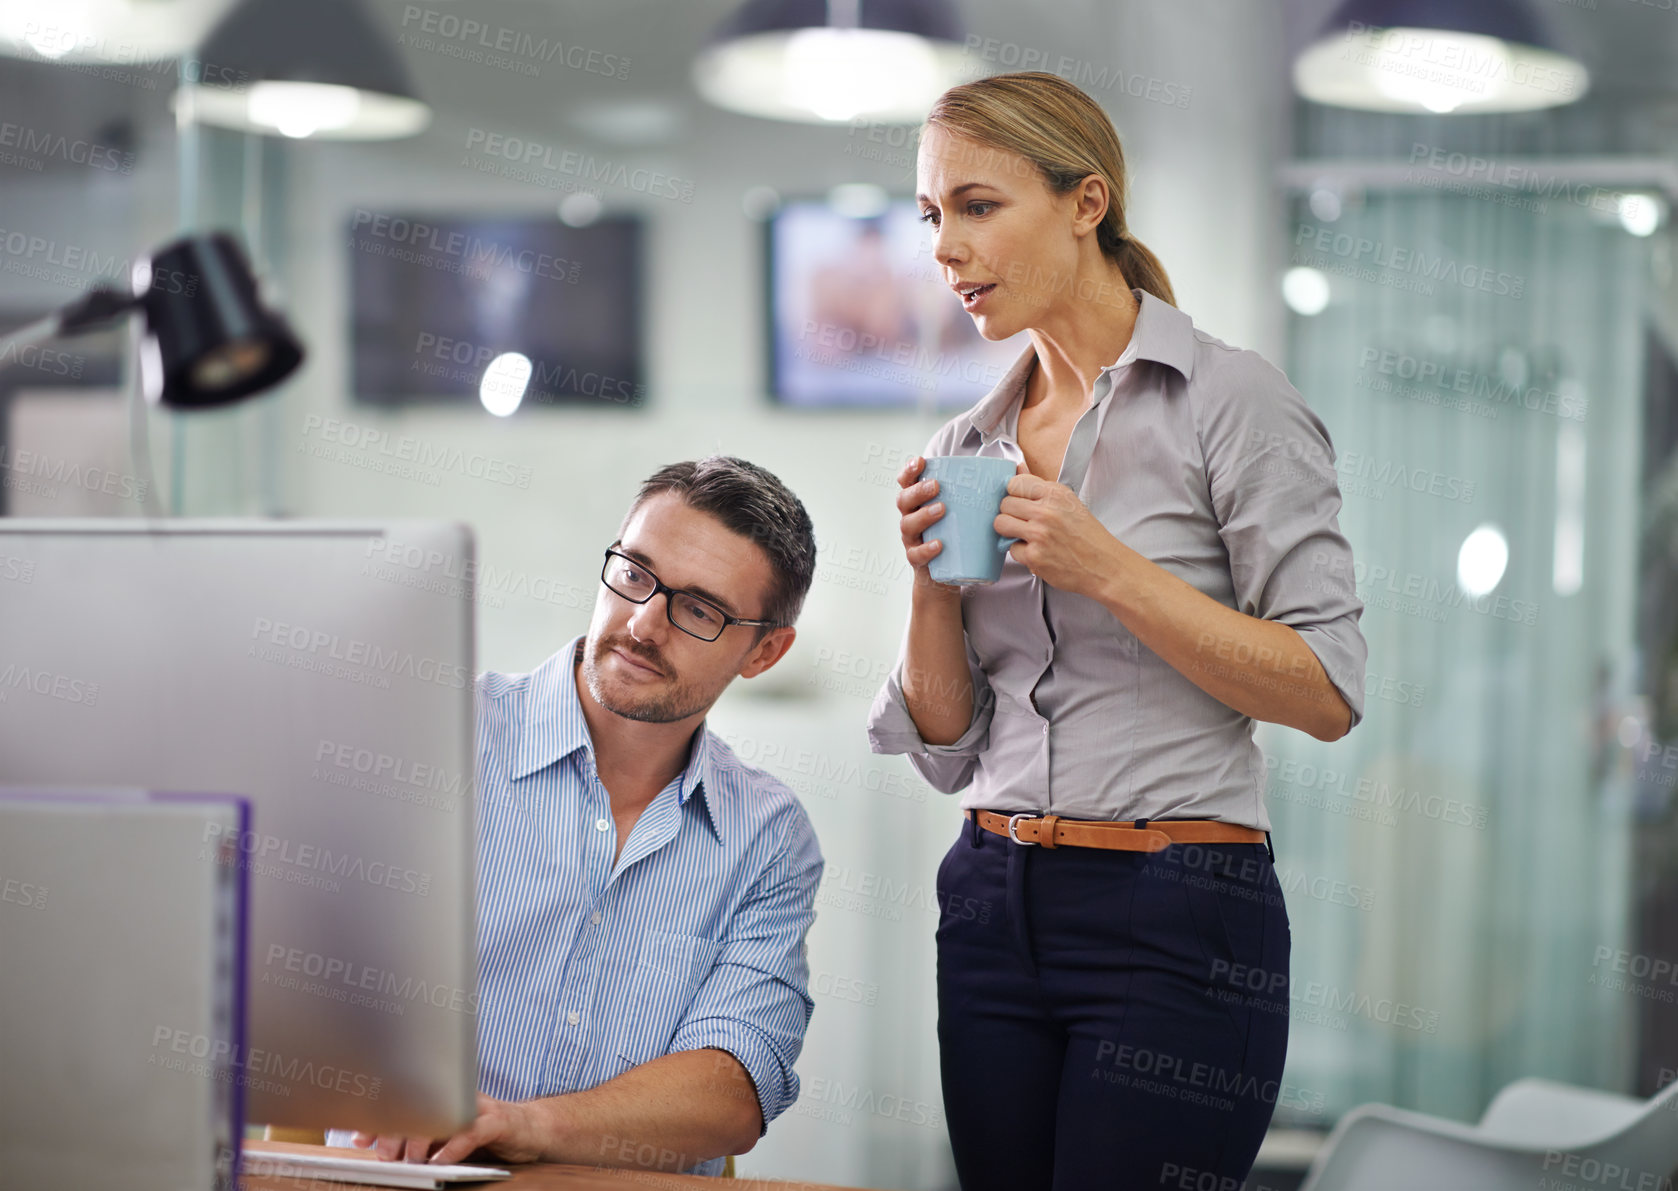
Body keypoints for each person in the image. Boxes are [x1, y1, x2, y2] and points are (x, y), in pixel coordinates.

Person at [866, 71, 1367, 1189]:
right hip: (992, 903)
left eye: (978, 206)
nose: (945, 248)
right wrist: (928, 590)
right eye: (931, 215)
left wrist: (1110, 571)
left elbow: (1325, 688)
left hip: (1177, 913)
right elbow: (947, 747)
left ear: (1085, 202)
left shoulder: (1231, 402)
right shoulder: (971, 436)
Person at [338, 456, 824, 1177]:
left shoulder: (768, 836)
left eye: (698, 609)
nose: (642, 623)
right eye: (634, 572)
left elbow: (735, 1087)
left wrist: (527, 1125)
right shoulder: (431, 735)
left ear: (765, 651)